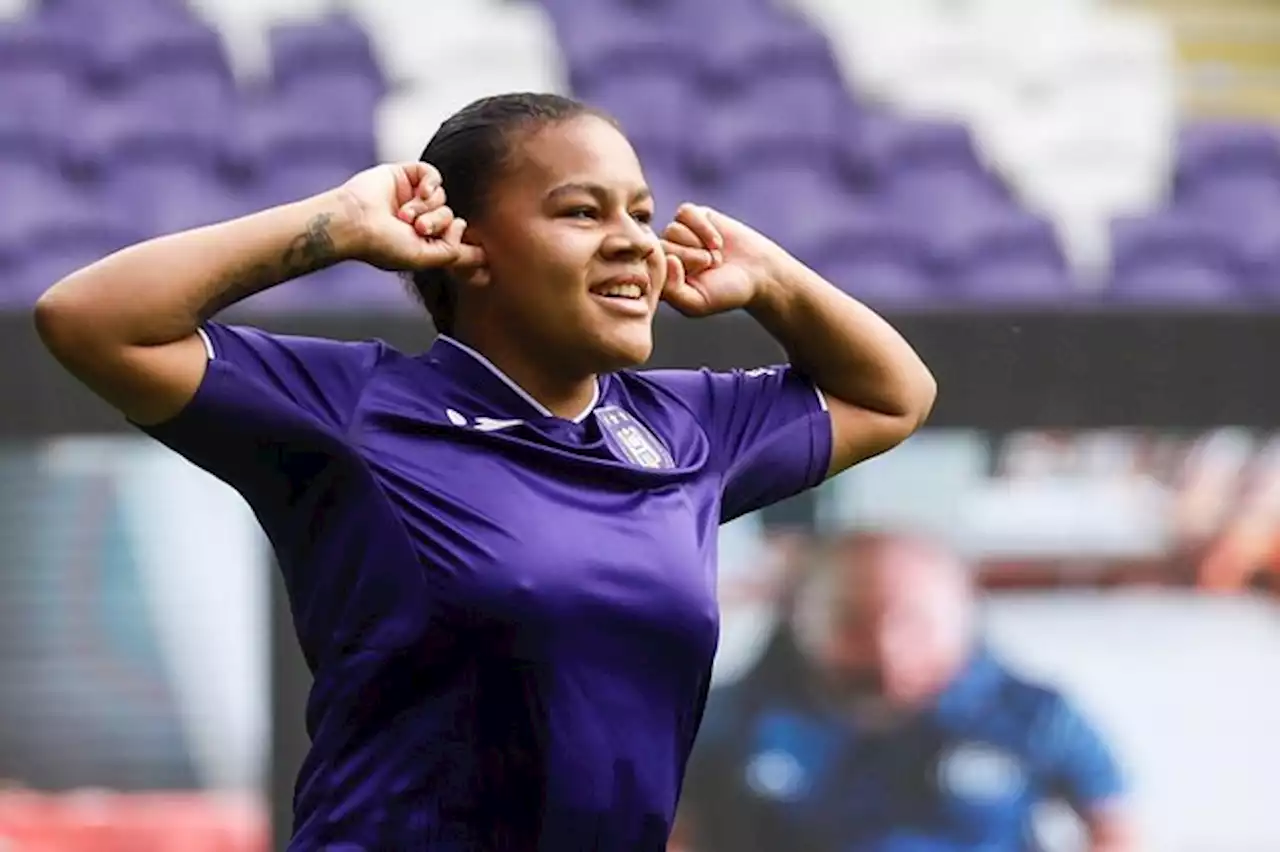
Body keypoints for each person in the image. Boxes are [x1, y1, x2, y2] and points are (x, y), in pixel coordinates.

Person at [33, 92, 936, 850]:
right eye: (582, 212)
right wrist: (335, 228)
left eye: (641, 212)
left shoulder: (687, 427)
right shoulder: (359, 413)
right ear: (471, 250)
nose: (634, 242)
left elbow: (894, 395)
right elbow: (89, 319)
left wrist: (774, 278)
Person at [678, 531, 1136, 852]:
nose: (887, 649)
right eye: (852, 621)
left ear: (962, 618)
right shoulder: (721, 718)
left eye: (916, 623)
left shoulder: (1038, 714)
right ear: (802, 618)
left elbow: (1116, 831)